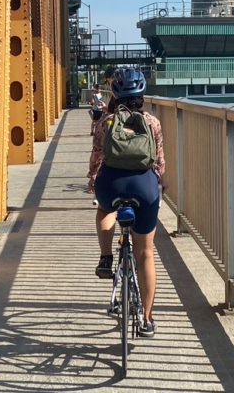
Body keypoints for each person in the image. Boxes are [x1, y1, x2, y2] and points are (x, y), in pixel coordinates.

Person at [87, 67, 164, 338]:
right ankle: (146, 318)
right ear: (141, 93)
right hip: (144, 188)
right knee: (145, 252)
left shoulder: (105, 122)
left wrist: (92, 184)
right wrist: (156, 184)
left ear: (114, 94)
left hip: (112, 185)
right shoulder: (152, 123)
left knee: (105, 208)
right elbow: (159, 164)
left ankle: (106, 257)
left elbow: (97, 158)